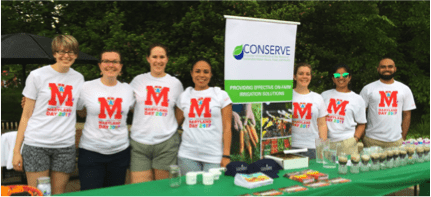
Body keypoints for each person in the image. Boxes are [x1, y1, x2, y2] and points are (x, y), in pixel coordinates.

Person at [12, 35, 84, 194]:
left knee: (58, 194)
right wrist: (16, 150)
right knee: (39, 194)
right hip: (37, 144)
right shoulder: (37, 76)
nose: (66, 55)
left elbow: (81, 109)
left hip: (65, 146)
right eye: (61, 51)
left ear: (76, 55)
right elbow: (26, 115)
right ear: (54, 54)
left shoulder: (79, 78)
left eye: (71, 52)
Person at [76, 50, 134, 190]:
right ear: (100, 65)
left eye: (115, 62)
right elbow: (78, 110)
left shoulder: (128, 89)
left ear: (120, 66)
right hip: (91, 152)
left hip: (119, 153)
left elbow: (141, 108)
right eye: (106, 61)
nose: (110, 65)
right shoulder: (86, 87)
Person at [129, 43, 184, 183]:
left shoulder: (175, 83)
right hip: (139, 143)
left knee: (162, 190)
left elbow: (180, 110)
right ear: (148, 58)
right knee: (141, 191)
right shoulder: (137, 81)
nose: (158, 61)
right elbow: (130, 106)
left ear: (167, 59)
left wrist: (168, 126)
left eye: (161, 57)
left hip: (166, 143)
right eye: (154, 57)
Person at [175, 58, 232, 175]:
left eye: (206, 72)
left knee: (212, 192)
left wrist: (226, 155)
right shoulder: (184, 96)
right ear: (191, 73)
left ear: (211, 74)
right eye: (197, 71)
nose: (201, 75)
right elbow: (175, 123)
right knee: (190, 192)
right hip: (187, 155)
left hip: (214, 156)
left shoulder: (220, 95)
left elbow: (227, 127)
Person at [360, 58, 416, 148]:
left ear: (395, 69)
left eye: (390, 67)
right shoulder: (368, 89)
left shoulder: (404, 89)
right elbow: (360, 114)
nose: (387, 69)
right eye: (383, 67)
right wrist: (363, 137)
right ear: (378, 69)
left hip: (396, 141)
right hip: (371, 140)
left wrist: (403, 137)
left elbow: (407, 114)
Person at [321, 64, 367, 155]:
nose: (341, 78)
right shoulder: (324, 95)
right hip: (326, 142)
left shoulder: (357, 99)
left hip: (347, 142)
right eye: (337, 75)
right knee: (325, 168)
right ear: (333, 79)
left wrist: (355, 139)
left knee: (347, 168)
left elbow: (362, 124)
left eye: (345, 75)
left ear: (349, 78)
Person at [290, 62, 328, 159]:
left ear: (311, 77)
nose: (304, 76)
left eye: (308, 74)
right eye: (301, 73)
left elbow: (322, 124)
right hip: (291, 146)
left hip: (312, 147)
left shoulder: (318, 98)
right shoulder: (287, 96)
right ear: (294, 76)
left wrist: (322, 147)